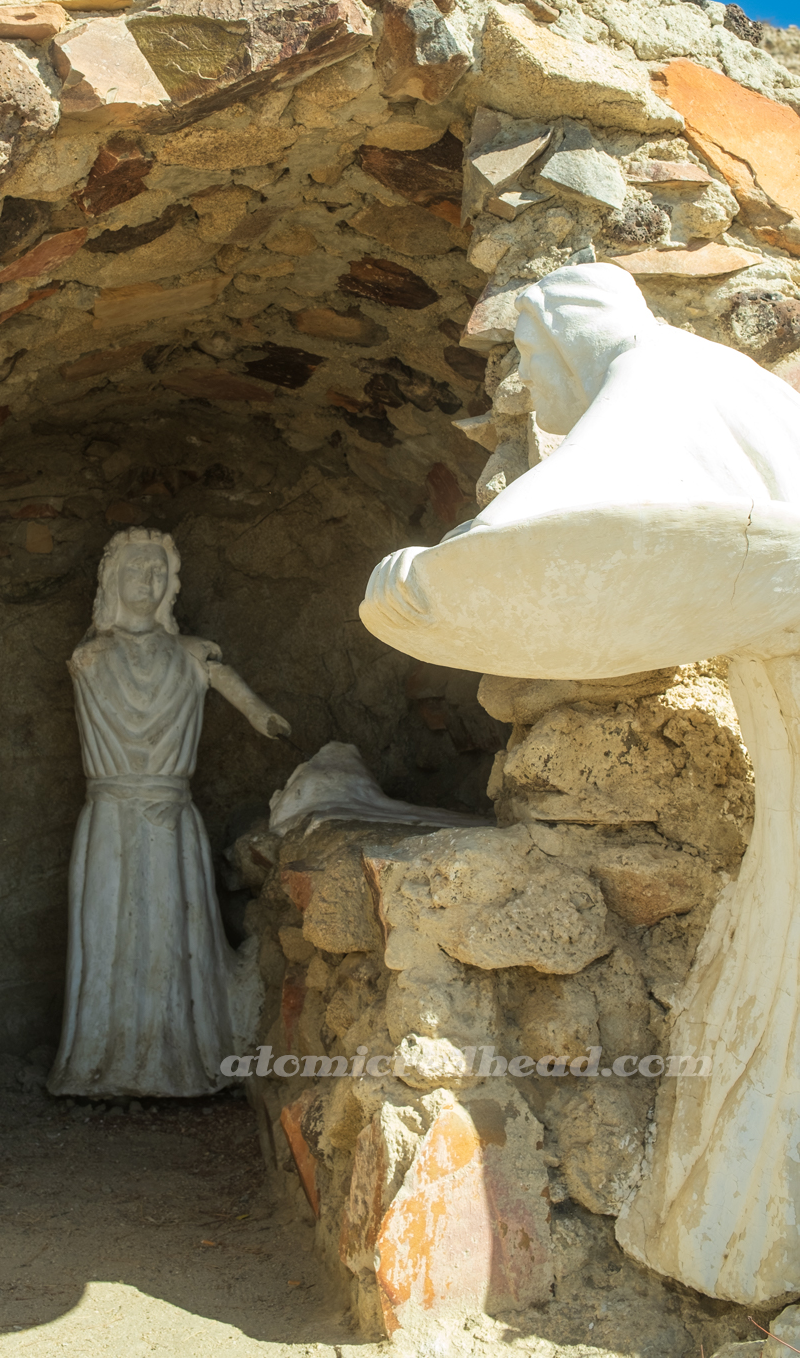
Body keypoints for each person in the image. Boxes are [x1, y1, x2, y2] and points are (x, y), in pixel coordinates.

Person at [360, 262, 800, 1304]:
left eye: (524, 369)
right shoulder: (730, 387)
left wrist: (422, 583)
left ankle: (749, 1224)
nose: (523, 400)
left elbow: (564, 518)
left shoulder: (650, 374)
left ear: (566, 338)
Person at [48, 527, 290, 1100]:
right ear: (111, 580)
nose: (147, 581)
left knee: (172, 933)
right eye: (135, 569)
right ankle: (99, 1062)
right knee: (111, 934)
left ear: (170, 586)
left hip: (171, 814)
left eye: (157, 572)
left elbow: (244, 698)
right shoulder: (90, 657)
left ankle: (179, 1057)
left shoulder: (192, 654)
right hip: (111, 814)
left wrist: (264, 716)